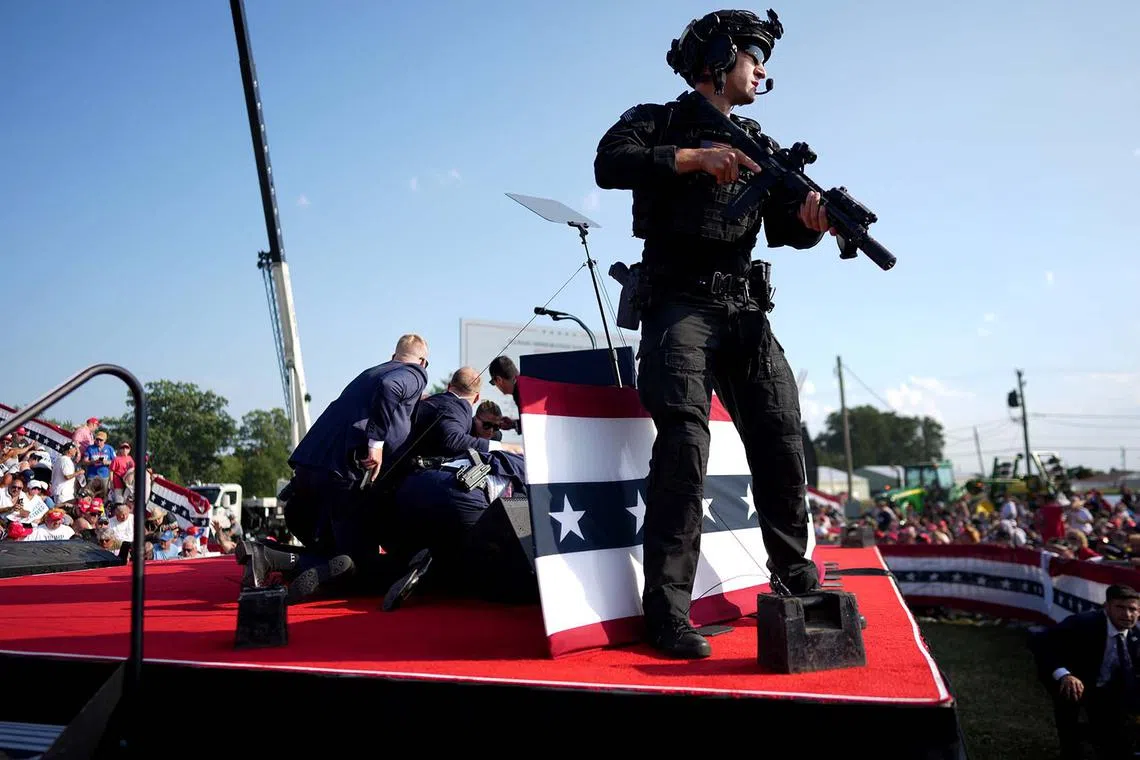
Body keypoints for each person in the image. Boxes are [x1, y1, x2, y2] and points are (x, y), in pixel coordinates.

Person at [593, 9, 831, 658]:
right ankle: (668, 612)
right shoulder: (658, 120)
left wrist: (812, 221)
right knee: (685, 445)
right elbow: (610, 163)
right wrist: (694, 158)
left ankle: (795, 575)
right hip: (679, 304)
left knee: (781, 434)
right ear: (721, 57)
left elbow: (784, 228)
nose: (762, 71)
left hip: (745, 311)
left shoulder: (760, 144)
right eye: (754, 57)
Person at [237, 334, 430, 602]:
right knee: (360, 565)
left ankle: (267, 555)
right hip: (343, 473)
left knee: (336, 553)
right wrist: (376, 444)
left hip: (310, 468)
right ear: (423, 362)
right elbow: (391, 387)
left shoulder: (370, 373)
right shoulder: (415, 373)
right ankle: (283, 562)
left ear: (393, 355)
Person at [1035, 584, 1140, 759]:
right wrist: (1064, 675)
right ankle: (1071, 744)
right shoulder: (1083, 623)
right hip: (1075, 681)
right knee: (1070, 708)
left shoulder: (1137, 634)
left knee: (1117, 742)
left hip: (1110, 687)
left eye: (1132, 609)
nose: (1127, 615)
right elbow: (1041, 643)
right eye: (1120, 608)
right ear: (1106, 607)